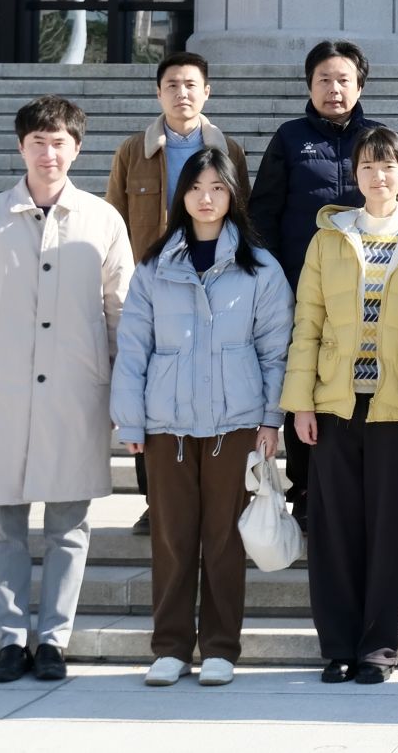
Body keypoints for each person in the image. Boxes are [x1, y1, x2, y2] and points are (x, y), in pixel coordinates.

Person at [0, 95, 134, 684]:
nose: (48, 154)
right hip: (0, 391)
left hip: (77, 392)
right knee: (2, 522)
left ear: (77, 148)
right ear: (20, 146)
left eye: (59, 143)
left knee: (69, 525)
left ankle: (53, 638)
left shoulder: (103, 219)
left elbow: (122, 313)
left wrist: (123, 396)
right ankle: (10, 638)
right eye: (37, 143)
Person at [110, 147, 292, 688]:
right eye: (195, 187)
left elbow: (275, 351)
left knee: (224, 538)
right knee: (171, 539)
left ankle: (219, 647)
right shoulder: (154, 267)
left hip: (235, 424)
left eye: (216, 187)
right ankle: (169, 648)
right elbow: (134, 347)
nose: (205, 198)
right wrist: (131, 420)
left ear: (233, 194)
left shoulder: (260, 268)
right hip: (167, 426)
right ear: (181, 196)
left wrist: (271, 419)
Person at [280, 126, 398, 685]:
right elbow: (307, 325)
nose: (378, 176)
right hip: (334, 405)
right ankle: (337, 646)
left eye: (388, 166)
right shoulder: (328, 238)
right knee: (333, 532)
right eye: (367, 166)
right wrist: (300, 403)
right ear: (354, 174)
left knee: (394, 532)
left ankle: (380, 647)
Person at [105, 50, 251, 536]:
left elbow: (243, 216)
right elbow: (113, 221)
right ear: (158, 92)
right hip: (153, 288)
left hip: (214, 285)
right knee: (153, 389)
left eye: (191, 85)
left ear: (206, 92)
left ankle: (214, 497)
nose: (181, 93)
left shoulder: (228, 150)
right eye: (172, 85)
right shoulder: (133, 151)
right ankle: (155, 500)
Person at [250, 39, 384, 531]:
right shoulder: (290, 138)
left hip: (370, 290)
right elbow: (263, 212)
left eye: (343, 79)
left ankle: (361, 487)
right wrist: (275, 277)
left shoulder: (378, 139)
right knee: (304, 383)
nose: (334, 89)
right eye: (324, 79)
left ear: (360, 85)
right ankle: (305, 489)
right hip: (301, 287)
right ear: (309, 85)